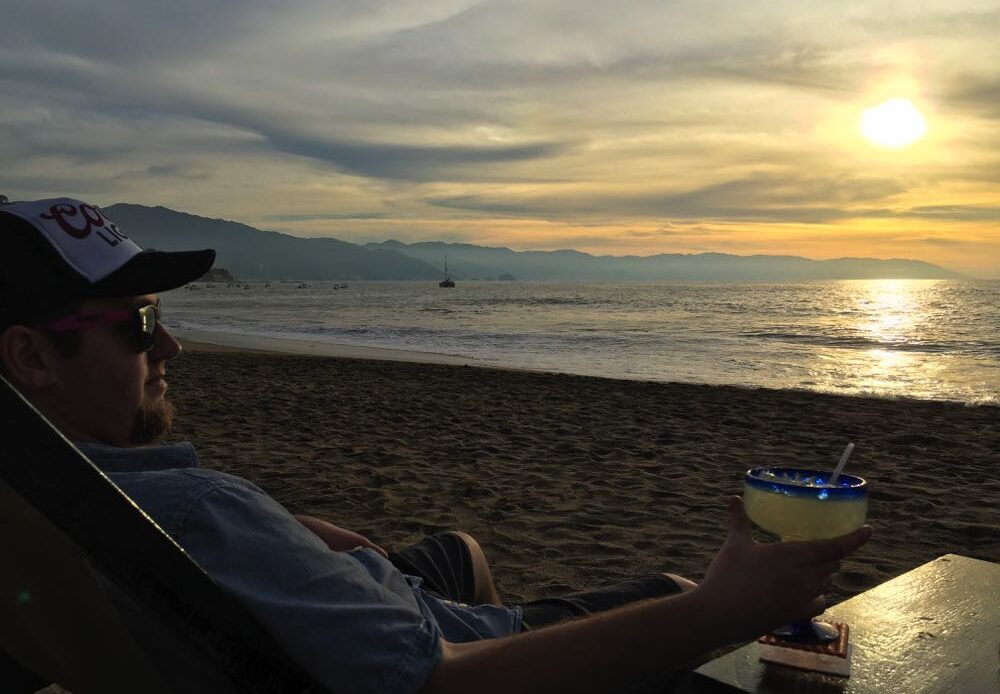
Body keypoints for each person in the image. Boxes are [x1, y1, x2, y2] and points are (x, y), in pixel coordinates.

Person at [0, 197, 872, 694]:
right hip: (446, 659)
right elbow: (444, 688)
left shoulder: (48, 497)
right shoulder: (200, 513)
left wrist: (280, 524)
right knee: (681, 597)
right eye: (140, 323)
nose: (171, 347)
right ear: (31, 355)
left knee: (458, 548)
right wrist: (715, 612)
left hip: (300, 610)